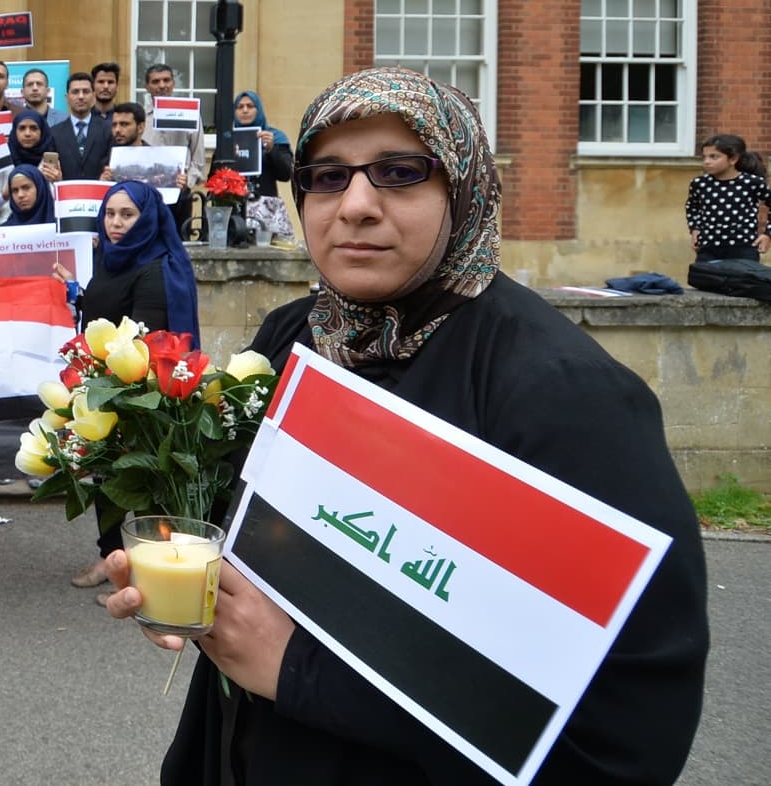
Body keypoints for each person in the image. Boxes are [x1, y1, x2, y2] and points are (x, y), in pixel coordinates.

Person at [103, 67, 707, 785]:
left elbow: (623, 727)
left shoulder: (564, 396)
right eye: (326, 176)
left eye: (398, 171)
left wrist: (300, 674)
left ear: (464, 188)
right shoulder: (291, 338)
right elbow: (238, 541)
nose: (355, 205)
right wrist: (180, 578)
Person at [54, 179, 199, 599]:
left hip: (139, 395)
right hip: (107, 390)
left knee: (138, 483)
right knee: (107, 479)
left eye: (127, 214)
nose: (115, 223)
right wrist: (76, 294)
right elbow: (107, 313)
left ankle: (148, 575)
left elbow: (143, 340)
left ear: (148, 218)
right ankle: (112, 557)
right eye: (110, 214)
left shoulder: (155, 270)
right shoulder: (113, 258)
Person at [686, 133, 770, 262]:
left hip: (743, 249)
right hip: (708, 248)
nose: (707, 162)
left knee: (742, 282)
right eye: (705, 157)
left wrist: (767, 235)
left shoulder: (752, 183)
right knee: (706, 281)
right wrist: (695, 228)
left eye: (714, 157)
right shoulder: (700, 184)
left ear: (733, 159)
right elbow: (692, 207)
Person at [231, 90, 296, 241]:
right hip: (235, 210)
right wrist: (230, 157)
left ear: (258, 109)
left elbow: (286, 174)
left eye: (250, 106)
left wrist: (272, 149)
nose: (245, 110)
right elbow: (214, 177)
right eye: (240, 107)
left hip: (265, 210)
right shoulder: (229, 138)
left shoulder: (275, 137)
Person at [0, 109, 60, 223]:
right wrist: (4, 196)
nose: (28, 133)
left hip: (45, 229)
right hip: (8, 229)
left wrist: (58, 183)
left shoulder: (50, 160)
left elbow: (60, 205)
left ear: (42, 131)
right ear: (15, 131)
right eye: (22, 128)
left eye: (34, 128)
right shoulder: (1, 158)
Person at [57, 72, 113, 181]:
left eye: (86, 92)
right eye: (75, 92)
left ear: (94, 96)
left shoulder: (108, 130)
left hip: (101, 194)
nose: (81, 96)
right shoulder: (55, 133)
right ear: (67, 97)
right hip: (67, 195)